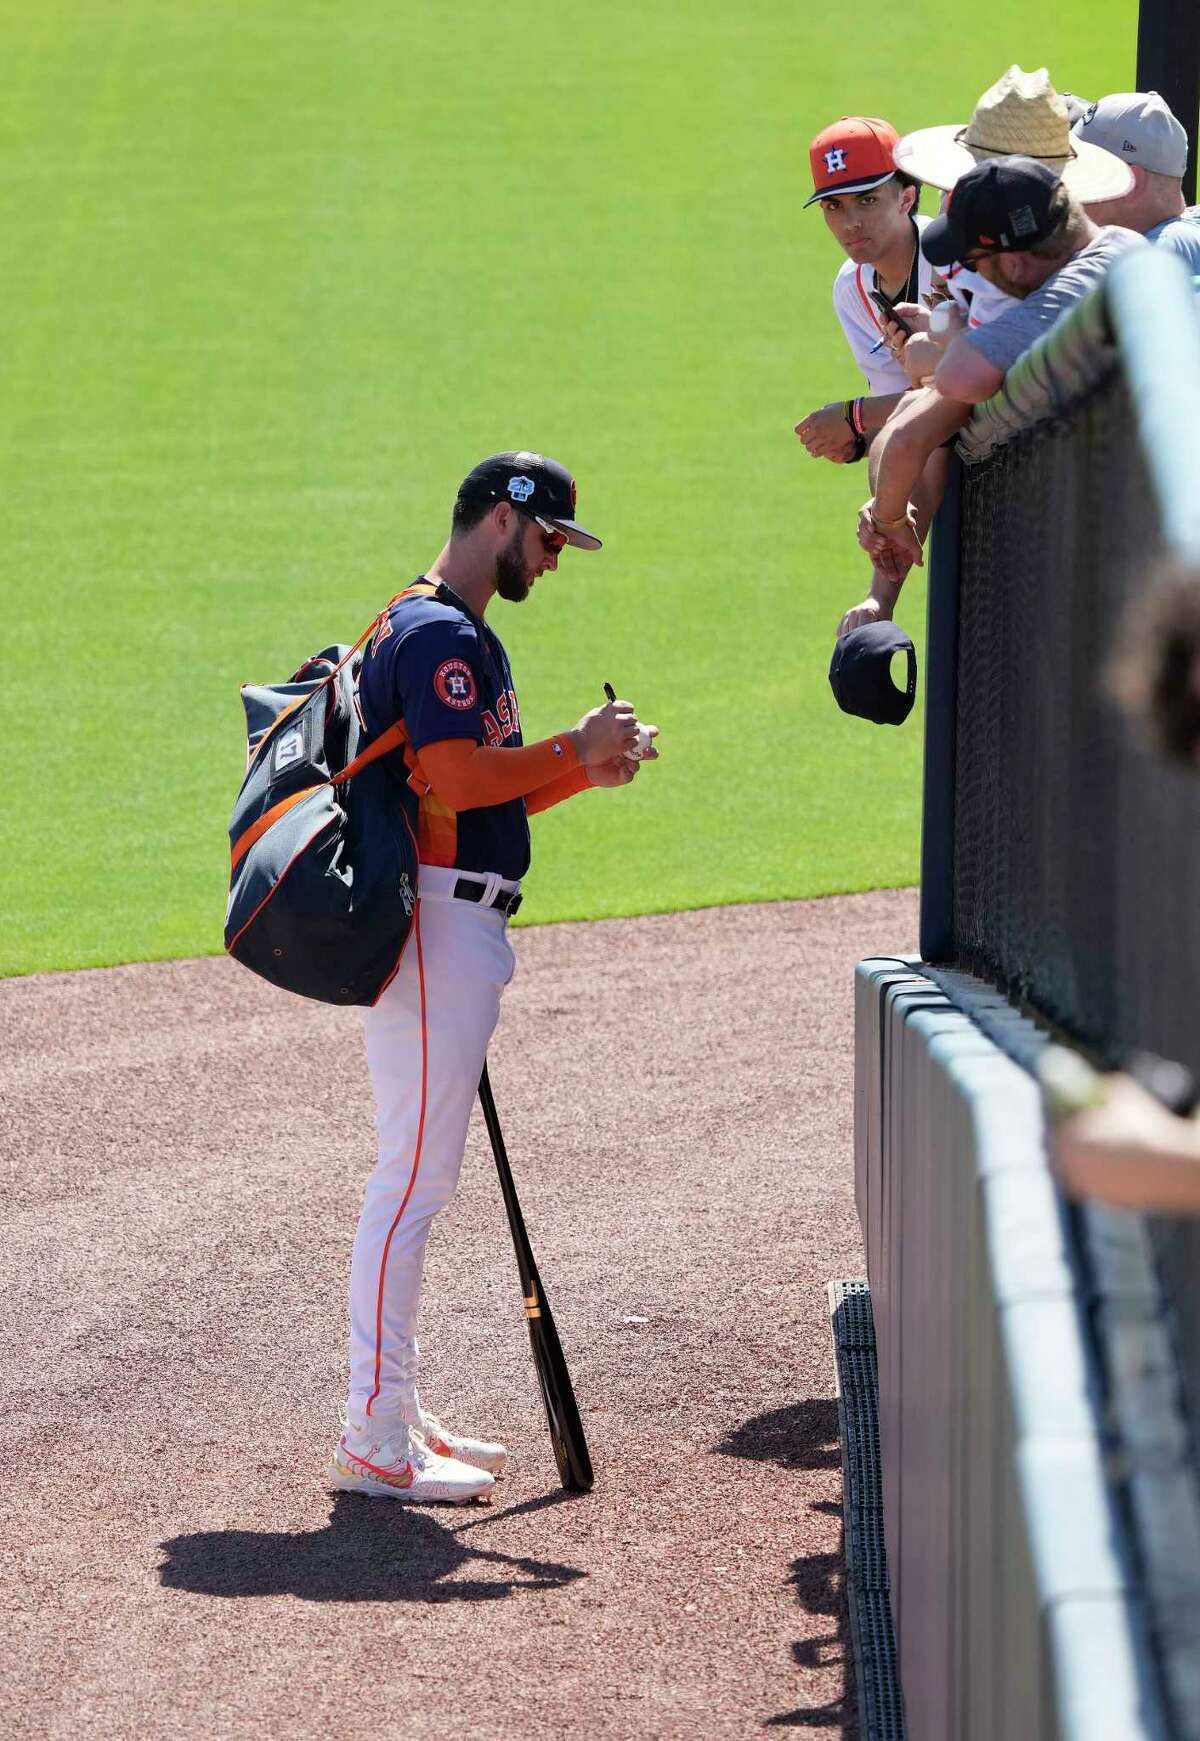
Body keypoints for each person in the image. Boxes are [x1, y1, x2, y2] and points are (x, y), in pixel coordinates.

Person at [330, 451, 656, 1505]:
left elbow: (479, 807)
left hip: (448, 916)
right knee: (410, 1183)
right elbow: (460, 777)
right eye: (552, 538)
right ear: (505, 519)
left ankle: (394, 1410)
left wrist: (579, 768)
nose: (556, 560)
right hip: (432, 928)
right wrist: (572, 740)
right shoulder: (435, 633)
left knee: (415, 1178)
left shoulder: (455, 633)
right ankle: (374, 1434)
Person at [859, 158, 1146, 578]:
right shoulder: (1120, 242)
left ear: (1012, 264)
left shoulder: (1069, 294)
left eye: (973, 264)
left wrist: (950, 335)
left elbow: (958, 379)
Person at [793, 115, 951, 637]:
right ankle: (881, 599)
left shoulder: (954, 259)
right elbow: (906, 415)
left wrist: (853, 418)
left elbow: (955, 390)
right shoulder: (852, 287)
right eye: (833, 206)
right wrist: (862, 431)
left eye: (866, 200)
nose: (848, 223)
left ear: (907, 197)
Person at [1071, 91, 1200, 271]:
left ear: (1130, 182)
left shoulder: (1152, 262)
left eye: (1085, 168)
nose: (1068, 182)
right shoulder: (1187, 232)